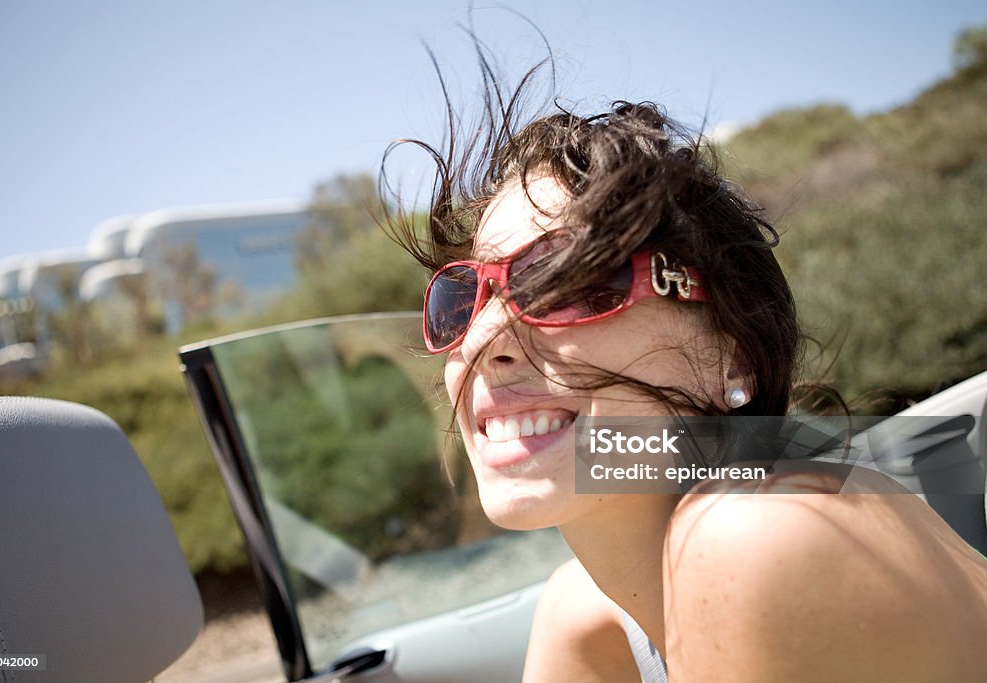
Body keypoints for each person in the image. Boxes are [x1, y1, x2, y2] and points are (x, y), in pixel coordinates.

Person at [385, 61, 987, 682]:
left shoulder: (758, 534)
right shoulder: (586, 611)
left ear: (735, 353)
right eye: (461, 299)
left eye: (567, 281)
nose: (483, 337)